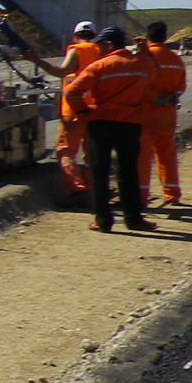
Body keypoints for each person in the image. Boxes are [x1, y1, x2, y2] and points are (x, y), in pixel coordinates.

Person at [63, 26, 158, 233]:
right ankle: (133, 219)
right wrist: (145, 51)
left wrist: (83, 111)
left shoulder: (100, 66)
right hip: (130, 124)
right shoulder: (142, 64)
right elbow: (154, 74)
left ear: (109, 44)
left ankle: (103, 221)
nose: (97, 50)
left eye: (100, 46)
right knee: (128, 172)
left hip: (100, 125)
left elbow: (71, 92)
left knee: (99, 173)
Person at [25, 21, 100, 200]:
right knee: (92, 153)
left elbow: (61, 71)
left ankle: (77, 188)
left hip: (74, 111)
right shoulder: (100, 51)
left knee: (66, 151)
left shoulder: (77, 50)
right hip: (95, 109)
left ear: (75, 36)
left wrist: (36, 60)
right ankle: (94, 189)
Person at [136, 21, 185, 205]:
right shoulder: (176, 60)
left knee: (142, 158)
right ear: (165, 37)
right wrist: (169, 98)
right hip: (168, 116)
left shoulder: (145, 58)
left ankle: (140, 195)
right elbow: (181, 88)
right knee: (167, 155)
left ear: (148, 37)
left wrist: (155, 98)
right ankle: (172, 193)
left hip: (146, 115)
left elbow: (140, 84)